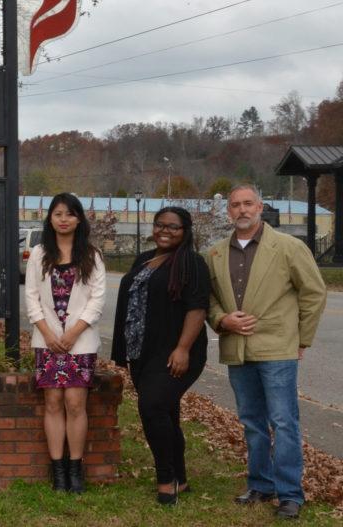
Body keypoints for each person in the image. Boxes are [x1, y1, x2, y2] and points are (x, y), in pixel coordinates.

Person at [206, 184, 326, 520]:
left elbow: (313, 292)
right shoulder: (214, 253)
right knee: (251, 422)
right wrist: (222, 319)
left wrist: (300, 339)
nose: (241, 210)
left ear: (260, 206)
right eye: (234, 205)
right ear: (227, 212)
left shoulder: (288, 247)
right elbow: (208, 299)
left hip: (276, 347)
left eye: (248, 204)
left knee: (283, 421)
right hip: (237, 347)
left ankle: (290, 494)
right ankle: (260, 483)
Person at [112, 207, 210, 505]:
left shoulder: (192, 263)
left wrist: (182, 349)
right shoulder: (144, 259)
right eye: (159, 225)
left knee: (152, 408)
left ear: (186, 231)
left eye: (173, 227)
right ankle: (181, 477)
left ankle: (166, 478)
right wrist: (126, 351)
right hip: (143, 352)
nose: (164, 231)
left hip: (176, 353)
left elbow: (197, 308)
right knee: (166, 413)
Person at [24, 192, 106, 493]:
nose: (63, 219)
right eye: (57, 214)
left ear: (79, 218)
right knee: (53, 402)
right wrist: (47, 334)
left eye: (69, 214)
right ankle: (57, 470)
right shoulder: (39, 254)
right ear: (50, 218)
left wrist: (73, 333)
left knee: (75, 403)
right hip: (46, 340)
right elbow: (31, 298)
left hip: (80, 340)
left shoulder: (92, 255)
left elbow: (97, 301)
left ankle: (76, 468)